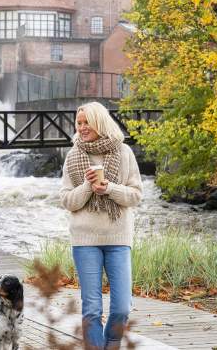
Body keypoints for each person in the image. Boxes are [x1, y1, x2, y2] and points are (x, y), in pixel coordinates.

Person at [60, 102, 143, 350]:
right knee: (92, 309)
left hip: (118, 238)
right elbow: (66, 200)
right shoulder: (73, 155)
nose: (82, 128)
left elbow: (136, 195)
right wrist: (87, 186)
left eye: (87, 122)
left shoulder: (124, 152)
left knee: (121, 308)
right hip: (85, 241)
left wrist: (109, 188)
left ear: (100, 122)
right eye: (79, 123)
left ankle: (112, 343)